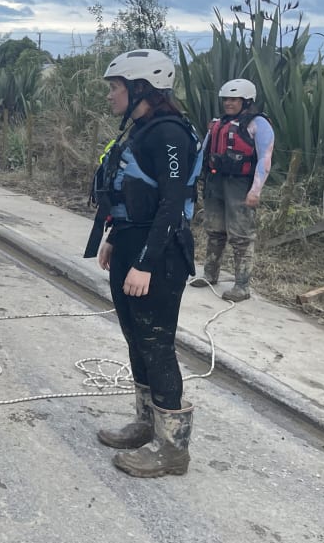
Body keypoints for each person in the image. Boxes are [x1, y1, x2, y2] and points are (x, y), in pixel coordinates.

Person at [84, 48, 202, 477]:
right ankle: (146, 424)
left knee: (157, 345)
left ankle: (172, 450)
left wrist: (146, 263)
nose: (110, 95)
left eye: (115, 87)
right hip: (131, 246)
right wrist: (115, 239)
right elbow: (134, 193)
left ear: (140, 89)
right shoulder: (142, 129)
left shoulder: (169, 134)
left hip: (160, 256)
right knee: (136, 340)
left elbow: (170, 206)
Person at [190, 78, 275, 302]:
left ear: (246, 101)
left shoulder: (258, 124)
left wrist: (256, 190)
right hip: (216, 181)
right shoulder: (218, 123)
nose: (228, 103)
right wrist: (194, 179)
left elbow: (265, 158)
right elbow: (204, 153)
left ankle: (242, 286)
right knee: (214, 230)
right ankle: (210, 274)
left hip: (240, 184)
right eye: (226, 99)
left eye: (234, 99)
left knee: (241, 235)